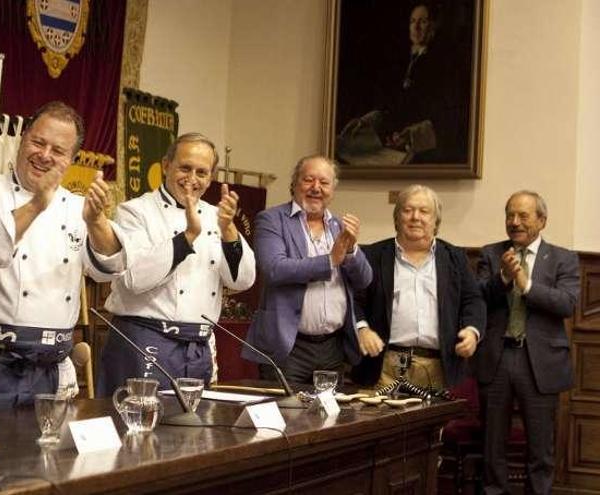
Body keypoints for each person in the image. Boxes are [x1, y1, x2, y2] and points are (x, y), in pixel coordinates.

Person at [0, 101, 126, 410]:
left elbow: (109, 267)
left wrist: (96, 222)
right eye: (38, 142)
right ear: (23, 137)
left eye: (58, 150)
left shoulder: (76, 207)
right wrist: (36, 205)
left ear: (71, 159)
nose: (44, 155)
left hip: (48, 369)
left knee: (42, 457)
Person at [97, 133, 256, 395]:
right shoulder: (136, 211)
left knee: (192, 431)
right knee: (135, 427)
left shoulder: (218, 217)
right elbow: (135, 278)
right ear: (166, 165)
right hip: (144, 340)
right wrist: (188, 237)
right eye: (185, 168)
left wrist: (229, 231)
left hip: (197, 348)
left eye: (202, 172)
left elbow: (243, 280)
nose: (192, 179)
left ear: (211, 177)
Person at [475, 191, 579, 495]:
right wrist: (504, 279)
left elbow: (567, 304)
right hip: (497, 357)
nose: (515, 222)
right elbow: (478, 298)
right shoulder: (491, 254)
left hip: (540, 363)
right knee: (492, 446)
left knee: (540, 449)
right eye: (510, 215)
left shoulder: (563, 258)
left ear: (542, 220)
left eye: (523, 216)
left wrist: (527, 285)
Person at [242, 155, 372, 386]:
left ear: (333, 189)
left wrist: (350, 250)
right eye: (308, 180)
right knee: (287, 418)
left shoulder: (339, 225)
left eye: (324, 182)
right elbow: (274, 268)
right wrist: (330, 260)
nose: (316, 188)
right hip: (289, 346)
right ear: (294, 184)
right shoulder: (272, 220)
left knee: (331, 419)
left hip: (333, 348)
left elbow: (364, 280)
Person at [351, 184, 484, 390]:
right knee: (381, 423)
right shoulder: (373, 255)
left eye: (424, 211)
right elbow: (354, 300)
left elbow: (473, 300)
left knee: (433, 423)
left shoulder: (454, 257)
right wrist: (362, 329)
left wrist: (472, 331)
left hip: (438, 369)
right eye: (407, 210)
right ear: (397, 218)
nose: (415, 217)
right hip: (383, 367)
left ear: (435, 221)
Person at [338, 2, 468, 165]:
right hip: (395, 143)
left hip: (426, 151)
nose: (416, 27)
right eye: (413, 21)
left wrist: (415, 134)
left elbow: (451, 115)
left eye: (423, 21)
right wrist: (373, 117)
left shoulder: (446, 62)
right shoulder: (401, 60)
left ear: (434, 25)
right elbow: (394, 103)